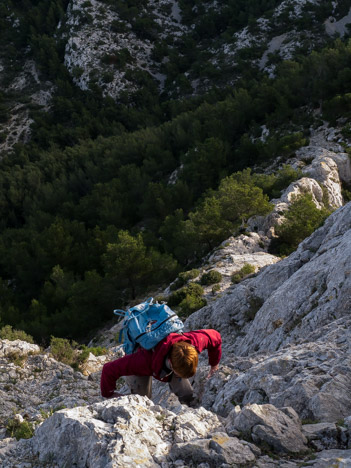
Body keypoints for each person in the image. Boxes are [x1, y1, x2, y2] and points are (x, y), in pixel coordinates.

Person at [100, 329, 222, 406]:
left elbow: (215, 337)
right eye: (179, 374)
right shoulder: (141, 361)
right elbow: (108, 369)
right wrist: (108, 394)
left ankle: (187, 403)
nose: (181, 376)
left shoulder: (194, 342)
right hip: (141, 356)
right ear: (171, 363)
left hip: (167, 360)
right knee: (142, 403)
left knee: (187, 393)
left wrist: (214, 365)